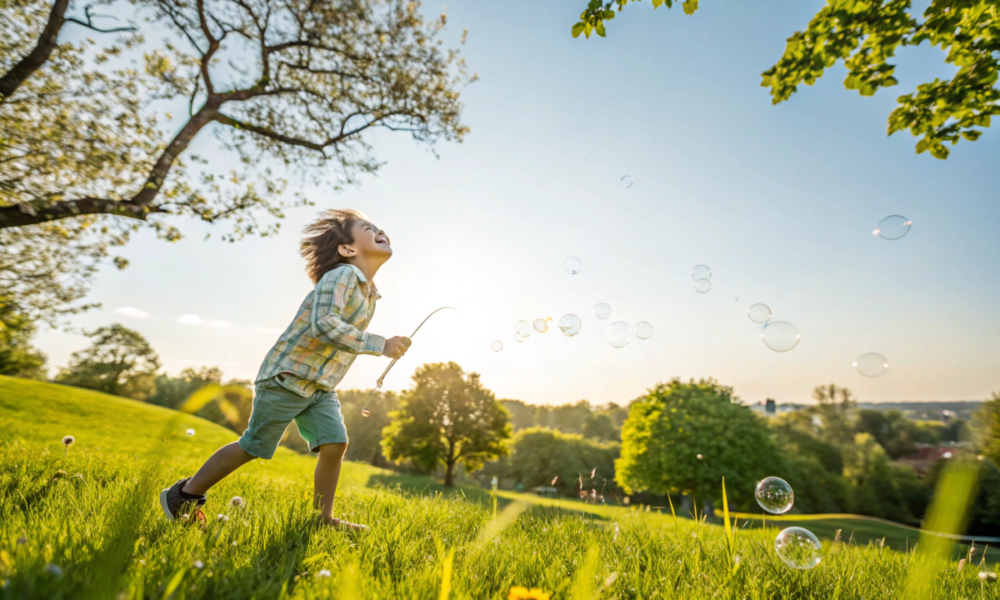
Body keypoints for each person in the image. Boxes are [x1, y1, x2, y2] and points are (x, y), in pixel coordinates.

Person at [159, 209, 411, 531]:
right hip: (287, 377)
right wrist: (380, 344)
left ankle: (322, 519)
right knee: (254, 446)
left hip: (319, 386)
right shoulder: (342, 276)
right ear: (348, 249)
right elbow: (324, 325)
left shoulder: (370, 294)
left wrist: (384, 346)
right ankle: (184, 495)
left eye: (380, 227)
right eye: (368, 228)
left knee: (335, 444)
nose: (380, 230)